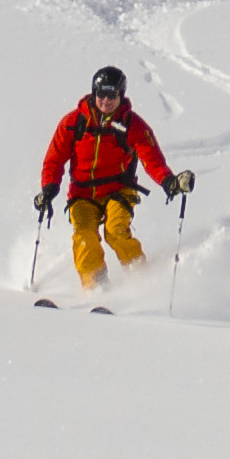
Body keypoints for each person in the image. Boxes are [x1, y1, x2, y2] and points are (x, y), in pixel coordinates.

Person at [34, 66, 190, 303]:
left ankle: (142, 281)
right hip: (82, 193)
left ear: (121, 95)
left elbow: (152, 158)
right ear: (93, 92)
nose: (106, 101)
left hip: (119, 191)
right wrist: (48, 189)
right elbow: (54, 160)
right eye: (101, 94)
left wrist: (169, 182)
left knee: (116, 232)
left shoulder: (132, 125)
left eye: (112, 95)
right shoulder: (73, 122)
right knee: (84, 237)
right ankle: (96, 288)